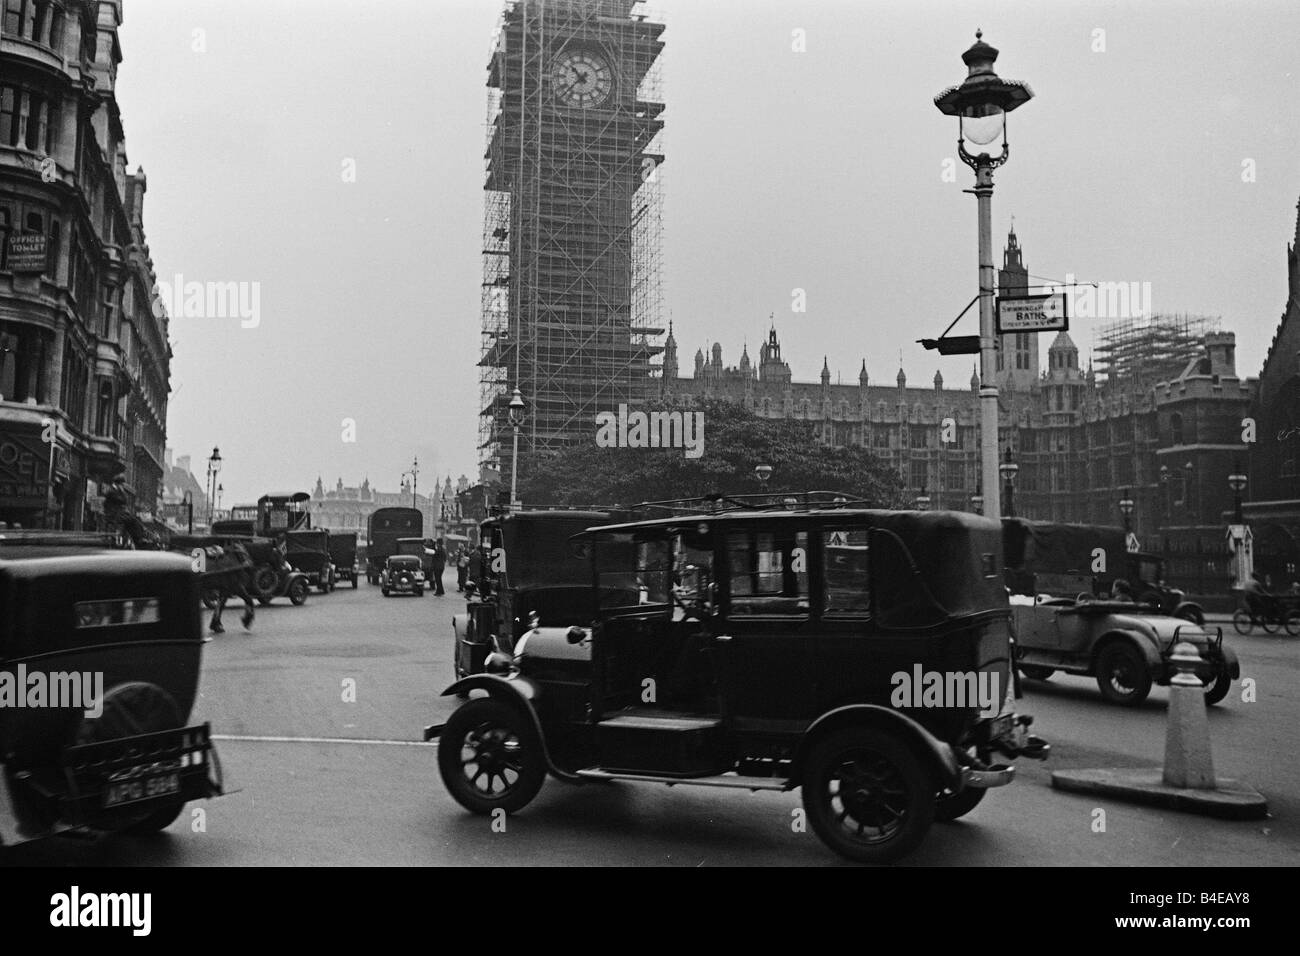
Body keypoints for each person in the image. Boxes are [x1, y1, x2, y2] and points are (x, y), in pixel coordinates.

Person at [208, 542, 255, 634]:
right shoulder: (233, 561)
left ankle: (216, 621)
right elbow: (237, 587)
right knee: (243, 598)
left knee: (223, 596)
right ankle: (216, 621)